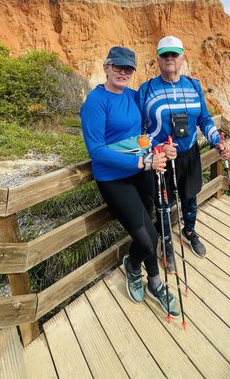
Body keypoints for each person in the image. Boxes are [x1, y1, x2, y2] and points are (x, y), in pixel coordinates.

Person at [81, 46, 180, 317]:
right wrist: (141, 162)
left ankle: (155, 284)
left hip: (141, 172)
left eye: (128, 69)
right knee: (146, 242)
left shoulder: (133, 97)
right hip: (114, 178)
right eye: (118, 67)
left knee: (153, 231)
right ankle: (133, 266)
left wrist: (161, 148)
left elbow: (142, 135)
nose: (123, 73)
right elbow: (97, 151)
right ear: (106, 67)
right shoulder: (95, 102)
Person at [137, 36, 230, 268]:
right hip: (161, 159)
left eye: (174, 54)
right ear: (157, 59)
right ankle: (166, 241)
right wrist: (156, 149)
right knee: (163, 205)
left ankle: (189, 232)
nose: (170, 58)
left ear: (182, 58)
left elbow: (204, 119)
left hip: (189, 154)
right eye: (165, 55)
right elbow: (138, 133)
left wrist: (217, 141)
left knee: (190, 198)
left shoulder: (193, 85)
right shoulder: (146, 89)